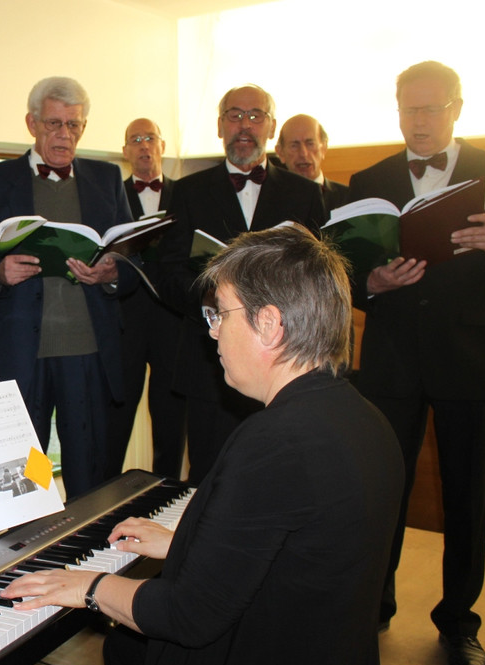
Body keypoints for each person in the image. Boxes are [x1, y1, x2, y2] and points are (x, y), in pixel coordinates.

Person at [3, 224, 404, 665]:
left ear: (269, 324)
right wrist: (183, 543)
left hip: (267, 663)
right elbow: (296, 551)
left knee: (126, 650)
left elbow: (187, 615)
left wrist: (89, 586)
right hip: (329, 656)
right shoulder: (362, 415)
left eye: (220, 315)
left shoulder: (276, 441)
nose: (212, 333)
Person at [348, 60, 485, 665]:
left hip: (472, 359)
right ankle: (373, 607)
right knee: (383, 488)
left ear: (457, 108)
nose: (418, 120)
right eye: (409, 108)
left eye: (431, 109)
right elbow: (345, 272)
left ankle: (459, 623)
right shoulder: (368, 180)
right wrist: (373, 283)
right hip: (392, 359)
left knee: (468, 498)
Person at [0, 77, 133, 498]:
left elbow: (133, 260)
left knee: (87, 470)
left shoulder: (107, 178)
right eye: (54, 124)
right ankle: (29, 536)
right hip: (21, 352)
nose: (64, 134)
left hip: (87, 351)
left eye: (74, 125)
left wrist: (111, 272)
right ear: (32, 123)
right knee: (26, 470)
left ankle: (85, 538)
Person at [152, 84, 326, 485]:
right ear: (219, 126)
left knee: (282, 481)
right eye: (235, 115)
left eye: (255, 116)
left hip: (284, 363)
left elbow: (318, 276)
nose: (244, 125)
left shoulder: (304, 193)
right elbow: (169, 272)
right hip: (209, 365)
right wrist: (213, 300)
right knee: (209, 479)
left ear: (271, 127)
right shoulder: (187, 191)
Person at [106, 117, 185, 479]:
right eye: (135, 139)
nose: (143, 145)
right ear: (125, 151)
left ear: (162, 146)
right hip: (126, 321)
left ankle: (166, 494)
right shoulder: (112, 192)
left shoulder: (184, 193)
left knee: (171, 420)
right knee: (116, 418)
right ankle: (107, 493)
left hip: (173, 320)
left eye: (149, 137)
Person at [275, 113, 350, 210]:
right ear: (280, 153)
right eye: (294, 145)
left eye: (310, 144)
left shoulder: (348, 198)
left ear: (324, 148)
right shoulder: (270, 199)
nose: (303, 153)